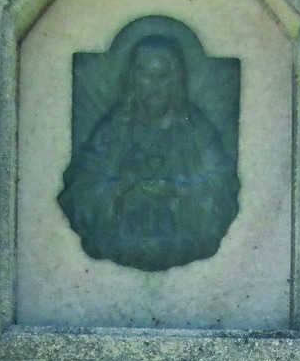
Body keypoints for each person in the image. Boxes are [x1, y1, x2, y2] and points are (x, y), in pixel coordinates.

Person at [59, 34, 238, 272]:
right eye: (146, 75)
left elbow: (222, 188)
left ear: (175, 81)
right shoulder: (113, 129)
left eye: (162, 77)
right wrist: (123, 187)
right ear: (134, 79)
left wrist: (176, 190)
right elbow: (80, 189)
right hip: (120, 239)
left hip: (183, 241)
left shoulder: (197, 130)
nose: (155, 86)